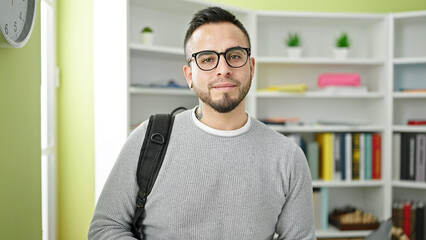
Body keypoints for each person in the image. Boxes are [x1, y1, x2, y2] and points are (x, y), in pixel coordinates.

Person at [89, 6, 316, 240]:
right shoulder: (148, 139)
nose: (223, 69)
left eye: (235, 56)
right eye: (207, 59)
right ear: (189, 75)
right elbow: (106, 228)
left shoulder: (288, 157)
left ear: (251, 67)